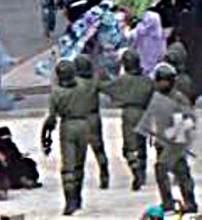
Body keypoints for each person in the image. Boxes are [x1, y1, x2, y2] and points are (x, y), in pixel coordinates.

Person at [99, 49, 154, 191]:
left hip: (129, 114)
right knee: (141, 144)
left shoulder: (123, 81)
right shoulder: (147, 80)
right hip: (144, 113)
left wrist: (101, 77)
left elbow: (106, 87)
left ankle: (135, 171)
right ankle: (141, 171)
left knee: (129, 147)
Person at [41, 60, 91, 215]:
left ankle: (70, 201)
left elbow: (51, 118)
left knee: (68, 165)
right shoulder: (83, 87)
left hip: (67, 126)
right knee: (79, 164)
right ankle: (78, 196)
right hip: (84, 124)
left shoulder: (56, 93)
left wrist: (45, 134)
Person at [150, 63, 198, 214]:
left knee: (181, 173)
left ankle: (190, 202)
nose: (162, 84)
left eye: (165, 80)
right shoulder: (156, 96)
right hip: (162, 142)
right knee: (162, 172)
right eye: (160, 80)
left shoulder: (178, 98)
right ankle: (167, 202)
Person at [74, 55, 110, 190]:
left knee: (78, 152)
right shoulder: (95, 81)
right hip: (94, 117)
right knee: (99, 148)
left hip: (79, 118)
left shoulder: (73, 83)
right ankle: (104, 171)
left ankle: (77, 179)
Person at [128, 11, 167, 77]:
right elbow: (163, 52)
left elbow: (129, 38)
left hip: (139, 63)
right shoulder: (160, 34)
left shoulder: (138, 30)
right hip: (154, 66)